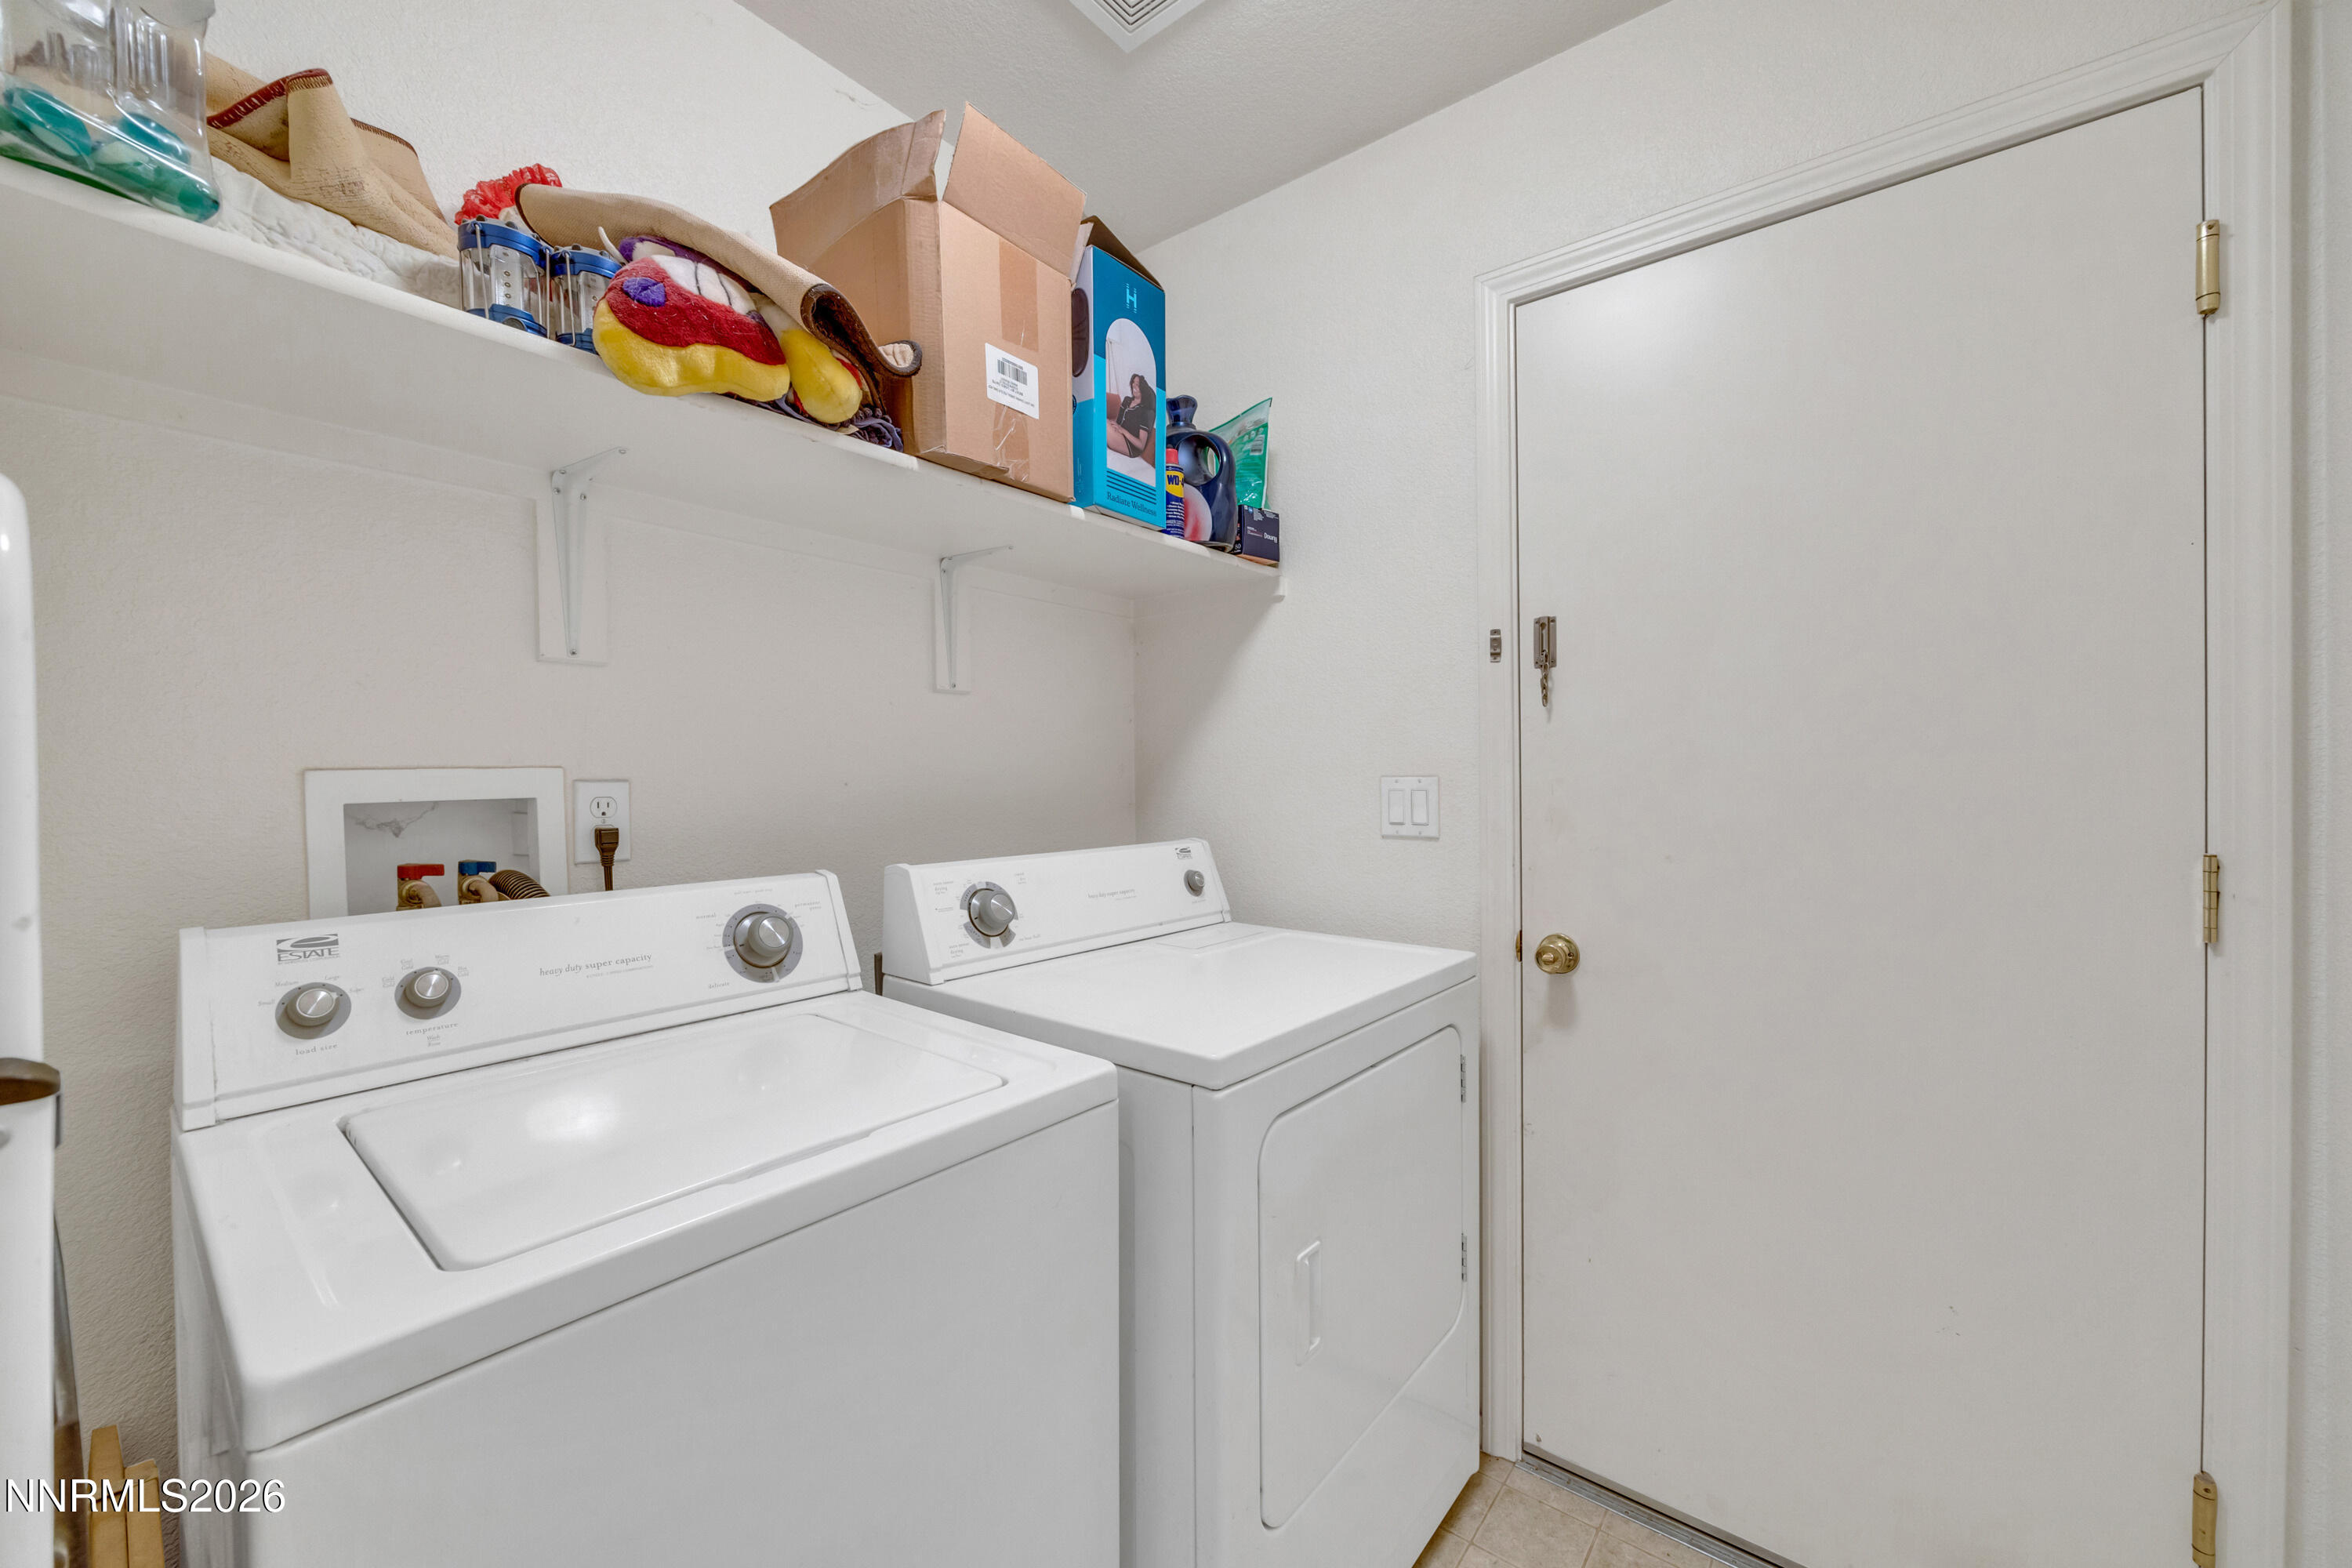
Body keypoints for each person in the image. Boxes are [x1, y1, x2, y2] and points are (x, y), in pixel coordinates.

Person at [1109, 372, 1156, 459]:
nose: (1134, 385)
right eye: (1133, 382)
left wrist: (1122, 430)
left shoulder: (1145, 412)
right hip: (1120, 436)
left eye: (1137, 384)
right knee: (1102, 420)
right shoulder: (1127, 400)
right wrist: (1114, 425)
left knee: (1103, 424)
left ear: (1143, 389)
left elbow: (1141, 445)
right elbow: (1119, 421)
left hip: (1131, 447)